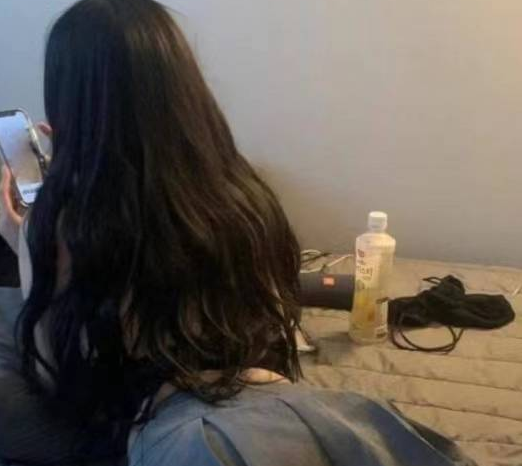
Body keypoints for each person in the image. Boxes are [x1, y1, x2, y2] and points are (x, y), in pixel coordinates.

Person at [0, 0, 474, 465]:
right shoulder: (243, 192)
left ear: (69, 101)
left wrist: (22, 234)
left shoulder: (62, 224)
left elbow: (56, 376)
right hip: (249, 386)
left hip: (143, 426)